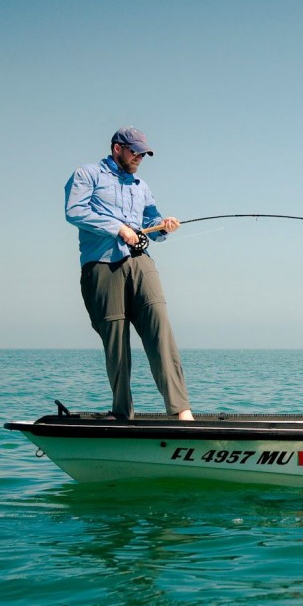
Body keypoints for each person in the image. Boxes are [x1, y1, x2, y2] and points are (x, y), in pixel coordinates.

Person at [64, 126, 193, 421]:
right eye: (134, 151)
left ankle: (181, 411)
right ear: (117, 148)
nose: (139, 157)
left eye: (143, 153)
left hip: (140, 263)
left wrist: (164, 225)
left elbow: (152, 220)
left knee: (160, 331)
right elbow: (75, 211)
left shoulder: (141, 186)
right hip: (101, 266)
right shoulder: (87, 175)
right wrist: (118, 228)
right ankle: (122, 413)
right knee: (116, 342)